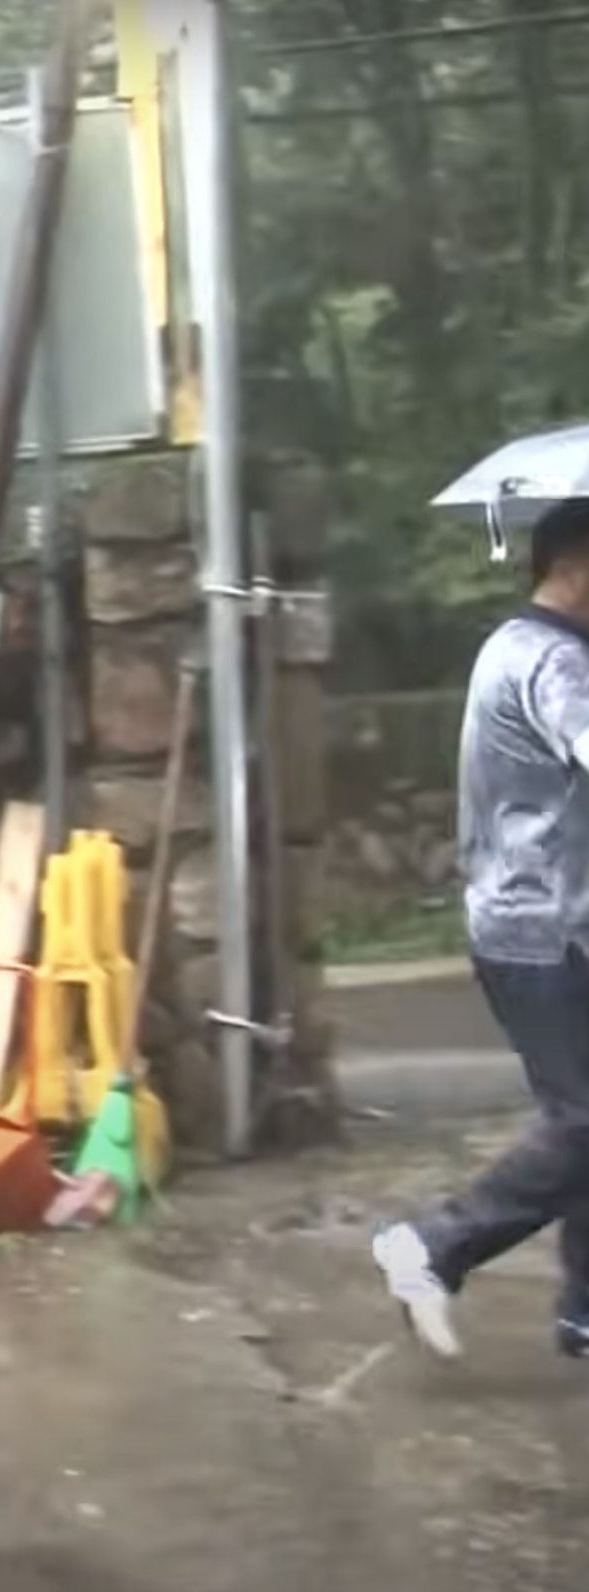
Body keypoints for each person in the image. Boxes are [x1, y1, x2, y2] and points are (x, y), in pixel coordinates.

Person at [375, 495, 589, 1363]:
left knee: (582, 1122)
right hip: (543, 933)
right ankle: (433, 1244)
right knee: (585, 1125)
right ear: (577, 565)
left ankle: (584, 1311)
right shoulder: (552, 663)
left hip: (537, 923)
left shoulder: (522, 648)